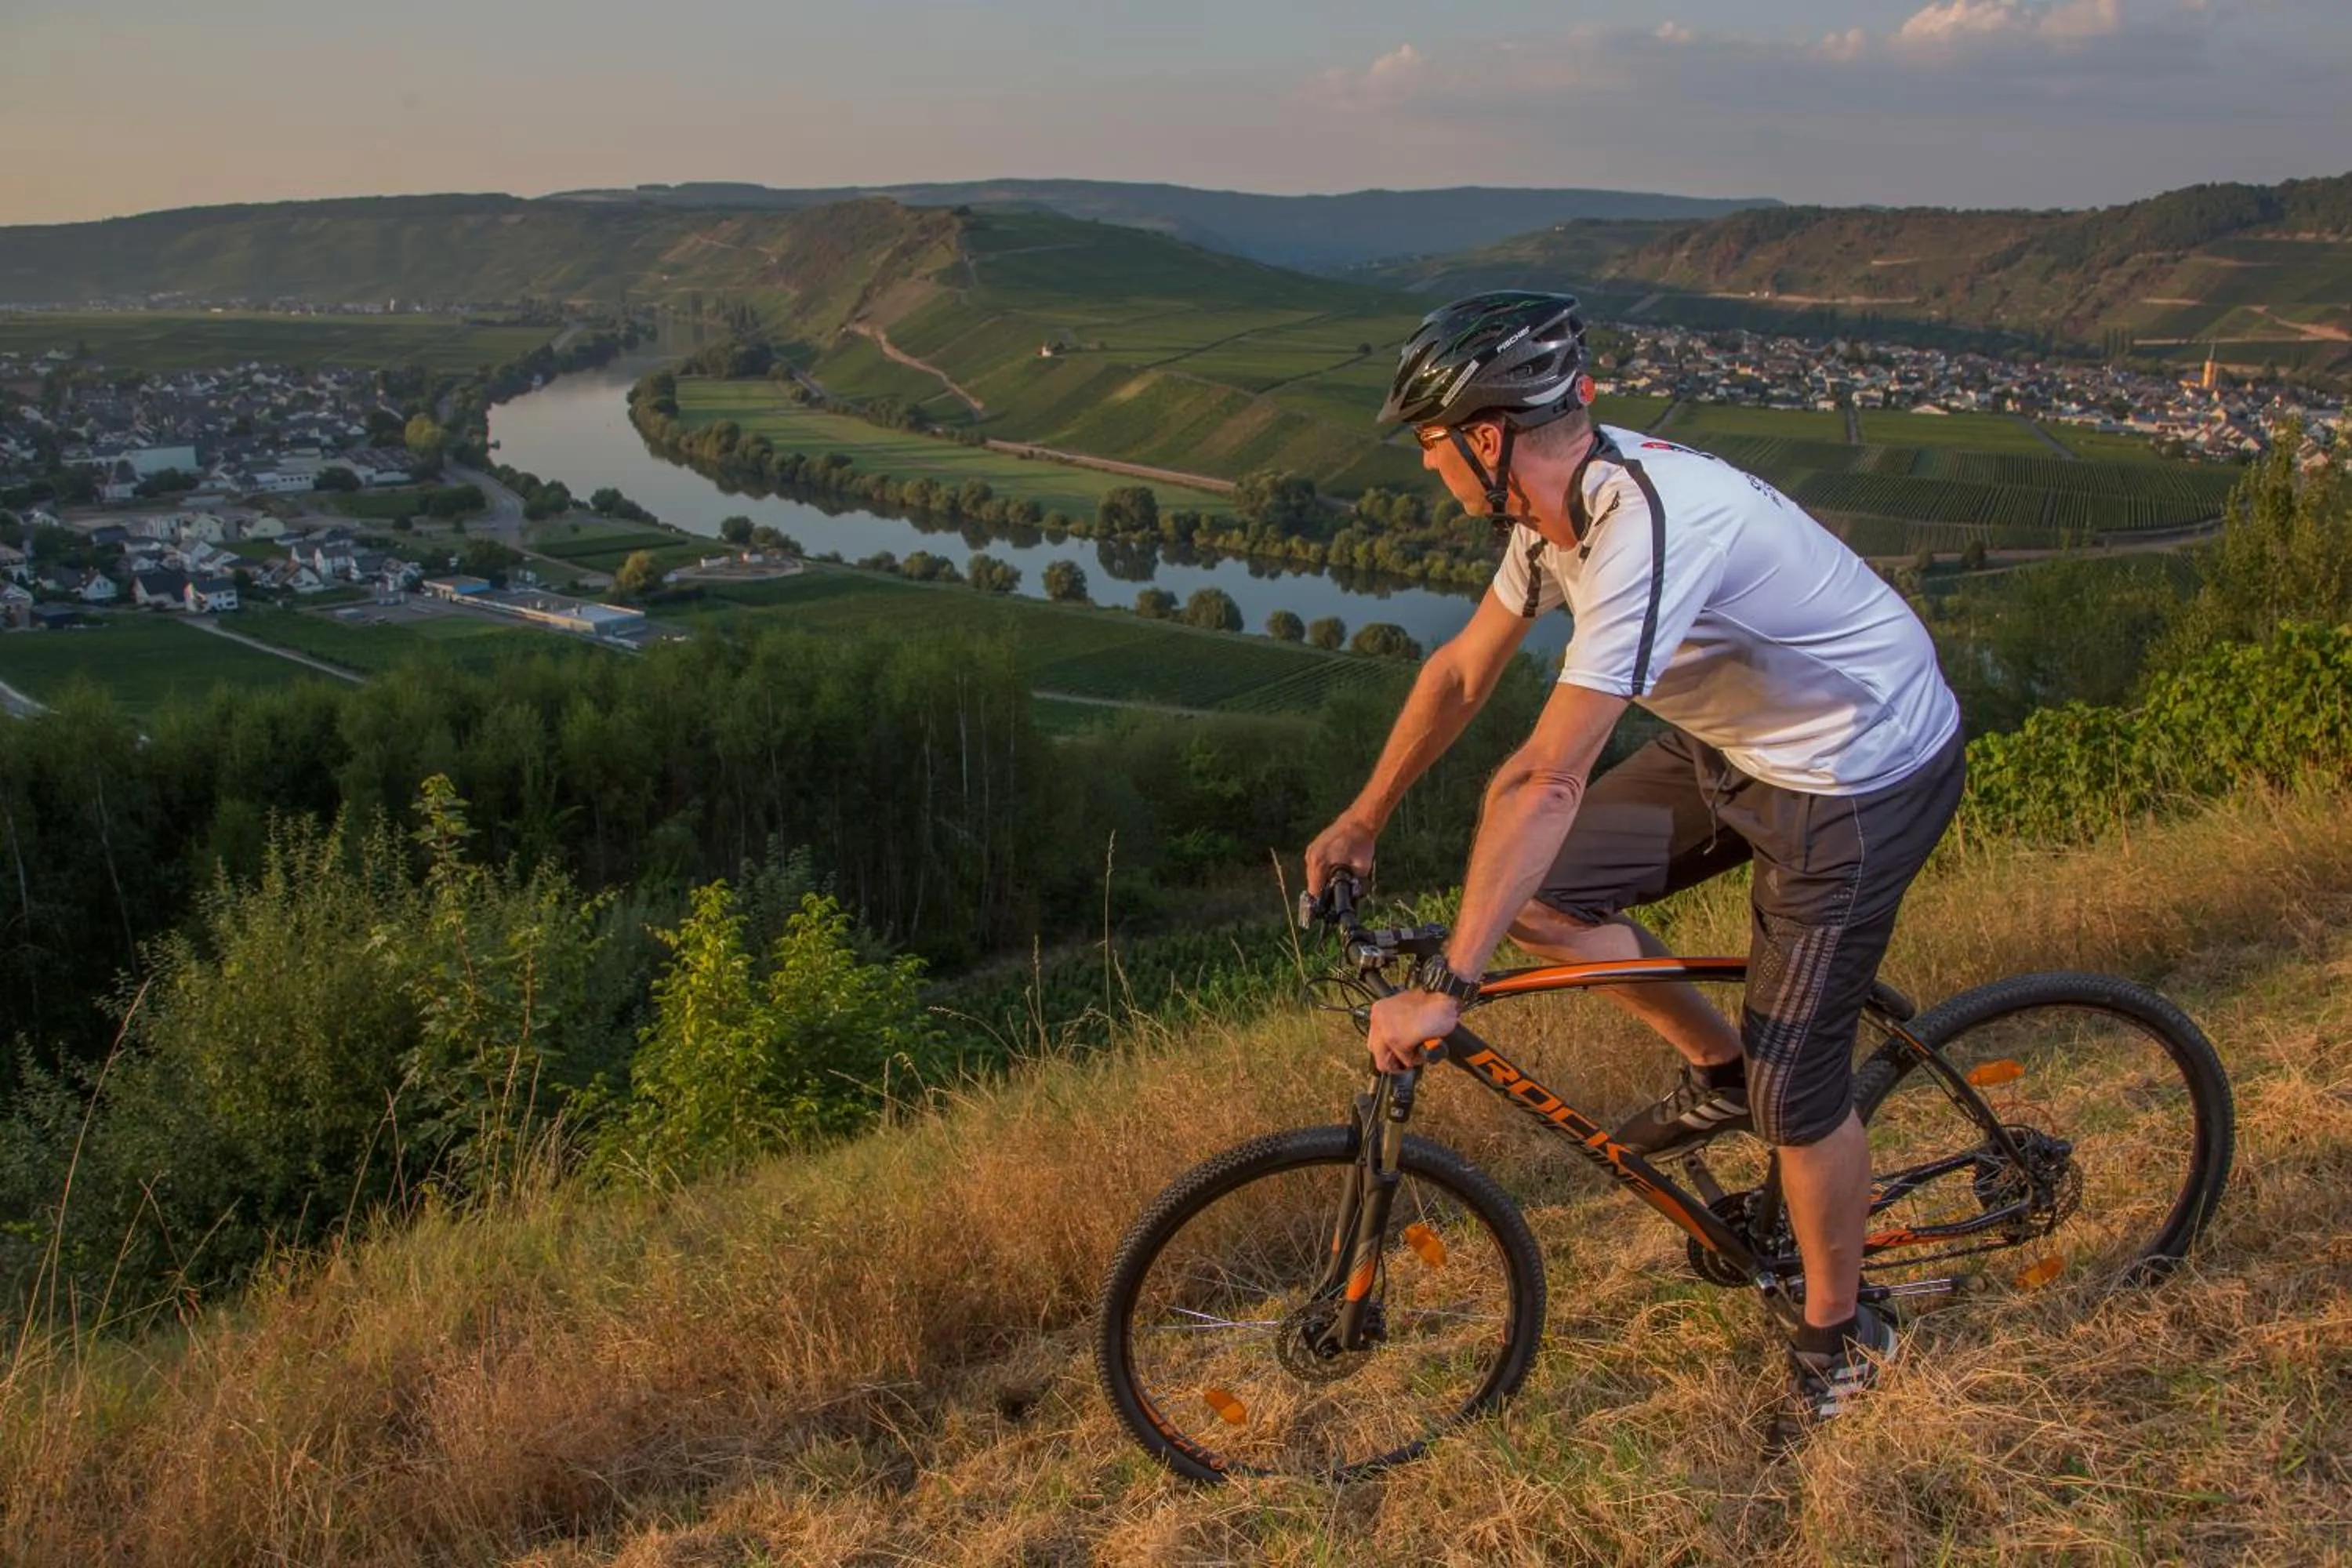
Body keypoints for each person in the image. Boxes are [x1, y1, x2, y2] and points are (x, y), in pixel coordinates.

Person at [1305, 291, 1965, 1428]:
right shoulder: (1546, 524)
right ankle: (1719, 1076)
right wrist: (1364, 815)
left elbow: (1544, 779)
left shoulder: (1648, 524)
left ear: (1489, 436)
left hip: (1859, 772)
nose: (1427, 464)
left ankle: (1841, 1332)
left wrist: (1448, 990)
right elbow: (1464, 674)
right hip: (1738, 744)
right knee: (1550, 897)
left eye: (1430, 439)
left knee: (1799, 1093)